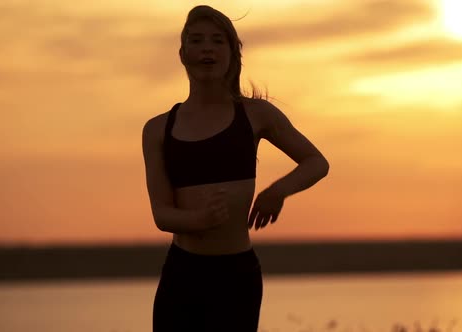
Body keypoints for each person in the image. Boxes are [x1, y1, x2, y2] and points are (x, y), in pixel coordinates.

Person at [141, 5, 329, 332]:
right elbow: (161, 214)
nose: (207, 49)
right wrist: (199, 220)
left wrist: (277, 191)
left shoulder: (256, 115)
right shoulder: (158, 129)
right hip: (182, 274)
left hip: (236, 275)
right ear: (183, 53)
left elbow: (316, 162)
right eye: (197, 41)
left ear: (233, 52)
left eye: (217, 41)